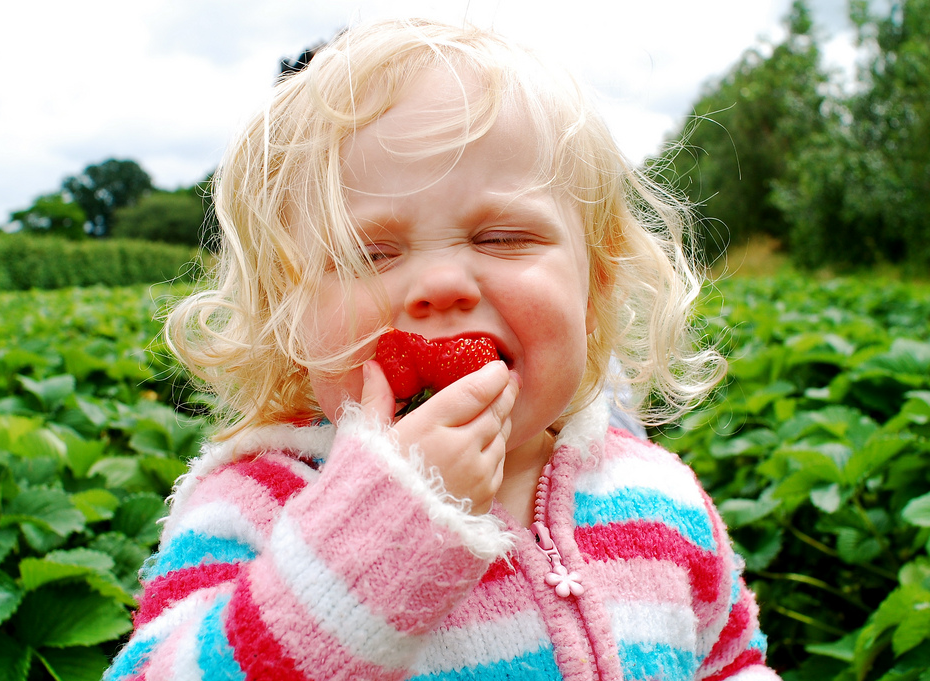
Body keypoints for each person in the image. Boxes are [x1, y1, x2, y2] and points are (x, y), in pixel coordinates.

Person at [105, 18, 778, 681]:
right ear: (290, 314)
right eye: (368, 253)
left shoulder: (660, 496)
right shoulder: (256, 508)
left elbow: (729, 660)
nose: (440, 285)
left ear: (595, 284)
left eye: (505, 236)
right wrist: (369, 542)